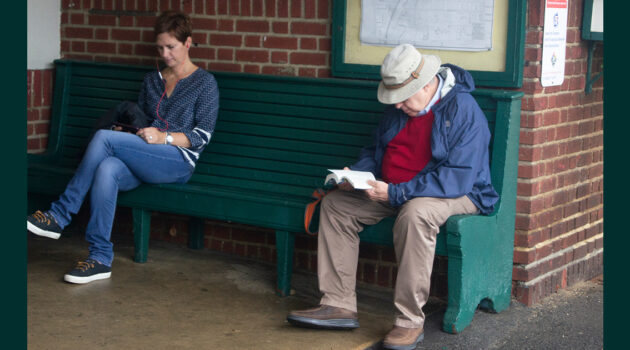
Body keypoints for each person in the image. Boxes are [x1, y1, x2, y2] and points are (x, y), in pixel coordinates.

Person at [286, 44, 498, 350]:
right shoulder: (399, 109)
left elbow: (458, 177)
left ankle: (409, 321)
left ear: (426, 86)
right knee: (335, 206)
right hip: (394, 189)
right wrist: (354, 176)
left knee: (416, 214)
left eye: (402, 98)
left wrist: (398, 192)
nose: (397, 106)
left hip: (458, 193)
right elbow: (377, 152)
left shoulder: (464, 110)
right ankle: (338, 305)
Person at [26, 11, 219, 285]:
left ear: (187, 43)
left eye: (171, 47)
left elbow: (202, 135)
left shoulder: (205, 83)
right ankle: (100, 258)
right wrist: (129, 133)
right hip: (146, 155)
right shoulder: (152, 80)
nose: (165, 54)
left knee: (104, 138)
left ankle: (60, 214)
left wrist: (162, 138)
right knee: (107, 168)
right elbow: (143, 120)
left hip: (178, 160)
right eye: (160, 47)